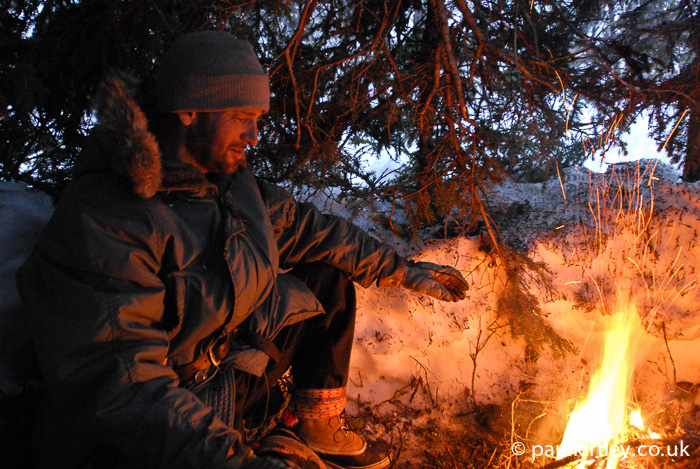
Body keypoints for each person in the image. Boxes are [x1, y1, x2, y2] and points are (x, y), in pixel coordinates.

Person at [16, 30, 469, 469]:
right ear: (189, 110)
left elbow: (310, 229)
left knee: (325, 275)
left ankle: (314, 425)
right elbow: (122, 384)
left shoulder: (227, 182)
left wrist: (400, 270)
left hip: (224, 364)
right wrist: (236, 461)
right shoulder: (108, 217)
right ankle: (263, 443)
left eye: (259, 118)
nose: (254, 135)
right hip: (160, 422)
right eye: (241, 116)